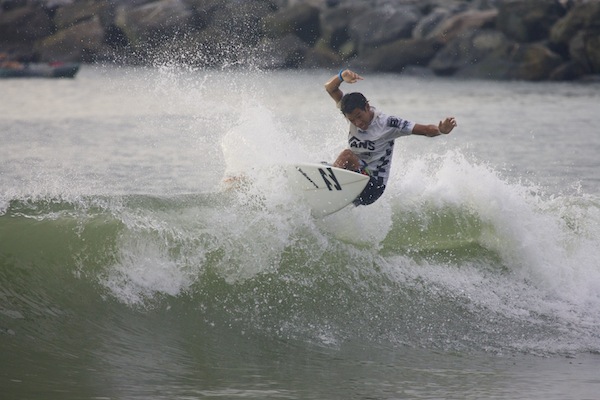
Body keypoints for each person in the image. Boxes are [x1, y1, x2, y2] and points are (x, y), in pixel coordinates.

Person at [324, 69, 457, 206]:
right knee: (323, 165)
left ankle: (329, 193)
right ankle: (331, 195)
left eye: (359, 116)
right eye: (352, 120)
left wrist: (441, 130)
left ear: (367, 107)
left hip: (373, 187)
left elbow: (426, 130)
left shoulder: (388, 123)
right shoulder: (349, 110)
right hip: (356, 176)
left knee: (347, 155)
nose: (358, 123)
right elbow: (330, 88)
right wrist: (341, 76)